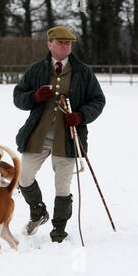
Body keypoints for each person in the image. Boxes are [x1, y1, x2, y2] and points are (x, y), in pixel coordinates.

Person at [13, 26, 106, 243]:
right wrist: (34, 97)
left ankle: (59, 231)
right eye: (60, 42)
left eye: (68, 43)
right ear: (50, 44)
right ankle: (37, 211)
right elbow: (18, 97)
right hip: (38, 134)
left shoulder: (83, 71)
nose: (65, 46)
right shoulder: (36, 69)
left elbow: (98, 100)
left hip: (68, 137)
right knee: (23, 177)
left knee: (62, 186)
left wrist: (81, 116)